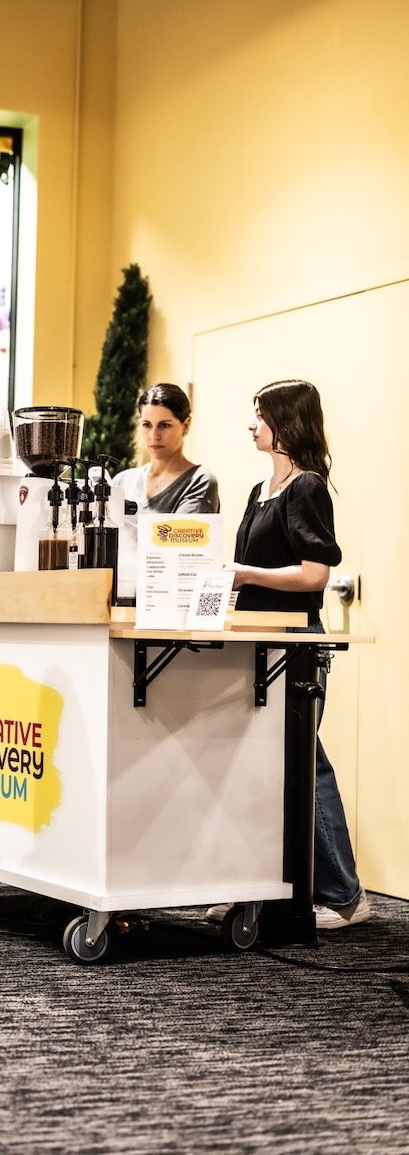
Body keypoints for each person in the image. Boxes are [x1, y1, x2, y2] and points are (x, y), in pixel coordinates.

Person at [206, 378, 370, 930]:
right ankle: (258, 888)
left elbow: (314, 575)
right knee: (257, 765)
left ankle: (345, 895)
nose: (250, 425)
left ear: (283, 422)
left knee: (305, 763)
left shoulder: (308, 489)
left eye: (258, 415)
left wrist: (242, 573)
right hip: (255, 643)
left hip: (297, 648)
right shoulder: (259, 493)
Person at [113, 382, 220, 516]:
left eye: (164, 425)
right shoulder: (122, 482)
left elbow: (181, 535)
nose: (154, 435)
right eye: (146, 425)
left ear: (186, 425)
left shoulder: (199, 482)